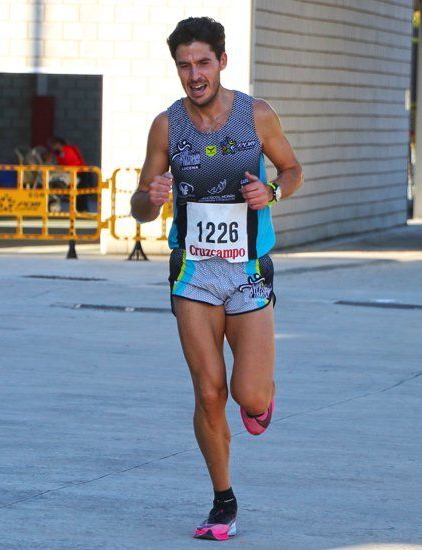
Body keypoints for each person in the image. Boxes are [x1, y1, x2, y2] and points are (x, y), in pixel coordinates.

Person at [130, 16, 303, 541]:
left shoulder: (257, 115)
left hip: (248, 272)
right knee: (209, 393)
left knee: (246, 397)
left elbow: (292, 170)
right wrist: (151, 199)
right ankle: (222, 501)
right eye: (184, 66)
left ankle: (261, 398)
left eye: (203, 62)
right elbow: (140, 206)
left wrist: (271, 193)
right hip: (192, 273)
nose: (194, 74)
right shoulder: (167, 125)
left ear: (222, 62)